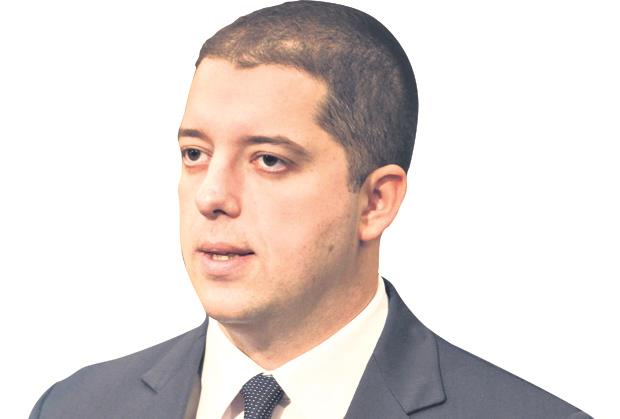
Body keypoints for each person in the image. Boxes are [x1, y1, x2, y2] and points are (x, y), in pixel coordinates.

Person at [29, 1, 591, 418]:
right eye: (195, 154)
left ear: (375, 201)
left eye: (269, 160)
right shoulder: (74, 407)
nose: (211, 196)